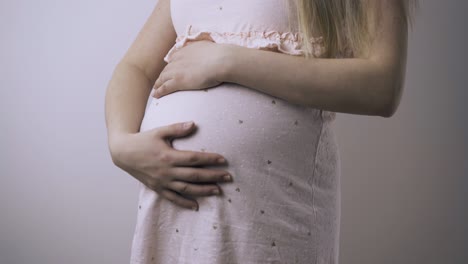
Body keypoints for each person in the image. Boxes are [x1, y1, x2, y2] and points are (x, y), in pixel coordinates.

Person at [104, 0, 417, 263]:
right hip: (174, 220)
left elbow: (382, 87)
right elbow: (137, 67)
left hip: (269, 219)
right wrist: (120, 142)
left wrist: (228, 61)